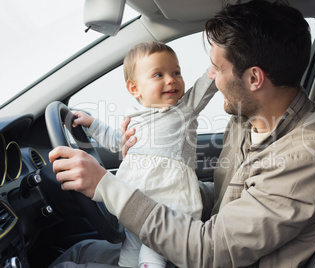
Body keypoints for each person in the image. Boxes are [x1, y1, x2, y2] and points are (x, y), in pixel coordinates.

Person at [49, 0, 315, 267]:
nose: (211, 78)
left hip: (208, 257)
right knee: (77, 253)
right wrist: (154, 180)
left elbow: (209, 251)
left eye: (217, 69)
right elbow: (230, 202)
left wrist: (106, 186)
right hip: (200, 243)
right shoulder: (248, 119)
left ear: (254, 78)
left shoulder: (308, 157)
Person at [69, 41, 217, 268]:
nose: (171, 79)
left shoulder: (185, 109)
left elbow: (204, 86)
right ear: (134, 89)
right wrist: (92, 124)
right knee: (128, 258)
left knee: (152, 256)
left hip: (167, 210)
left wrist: (217, 67)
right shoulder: (135, 117)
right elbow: (118, 143)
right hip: (134, 205)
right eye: (158, 74)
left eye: (176, 72)